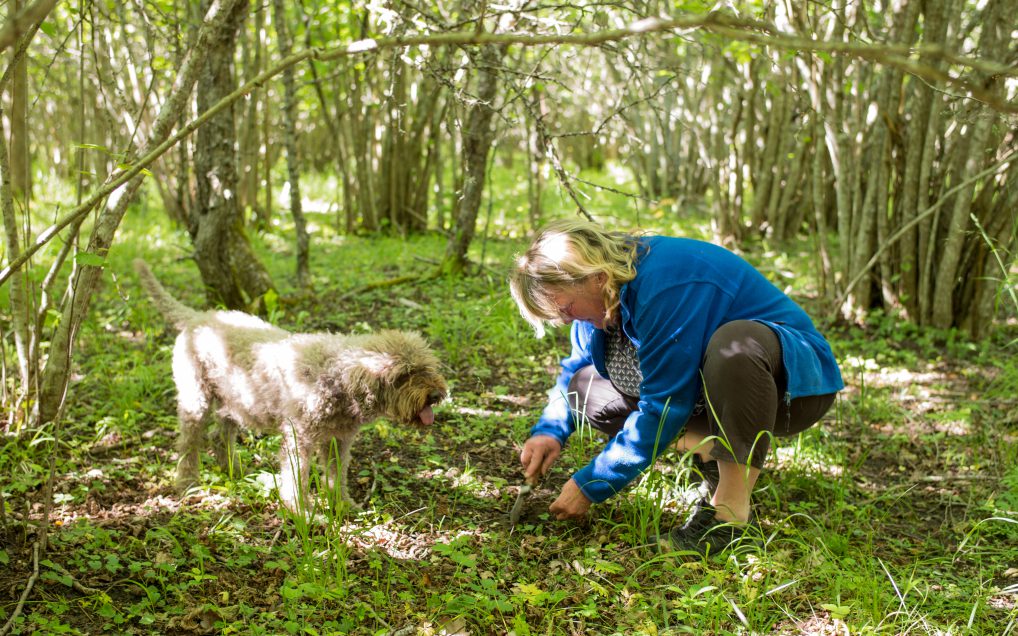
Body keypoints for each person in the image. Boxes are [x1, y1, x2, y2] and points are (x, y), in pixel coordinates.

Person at [508, 219, 843, 554]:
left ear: (597, 277)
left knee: (735, 344)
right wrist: (549, 431)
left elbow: (665, 403)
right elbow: (574, 370)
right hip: (710, 393)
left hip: (791, 389)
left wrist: (593, 483)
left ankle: (730, 519)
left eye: (566, 308)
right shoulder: (600, 303)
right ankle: (721, 464)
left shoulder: (665, 281)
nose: (566, 320)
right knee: (586, 388)